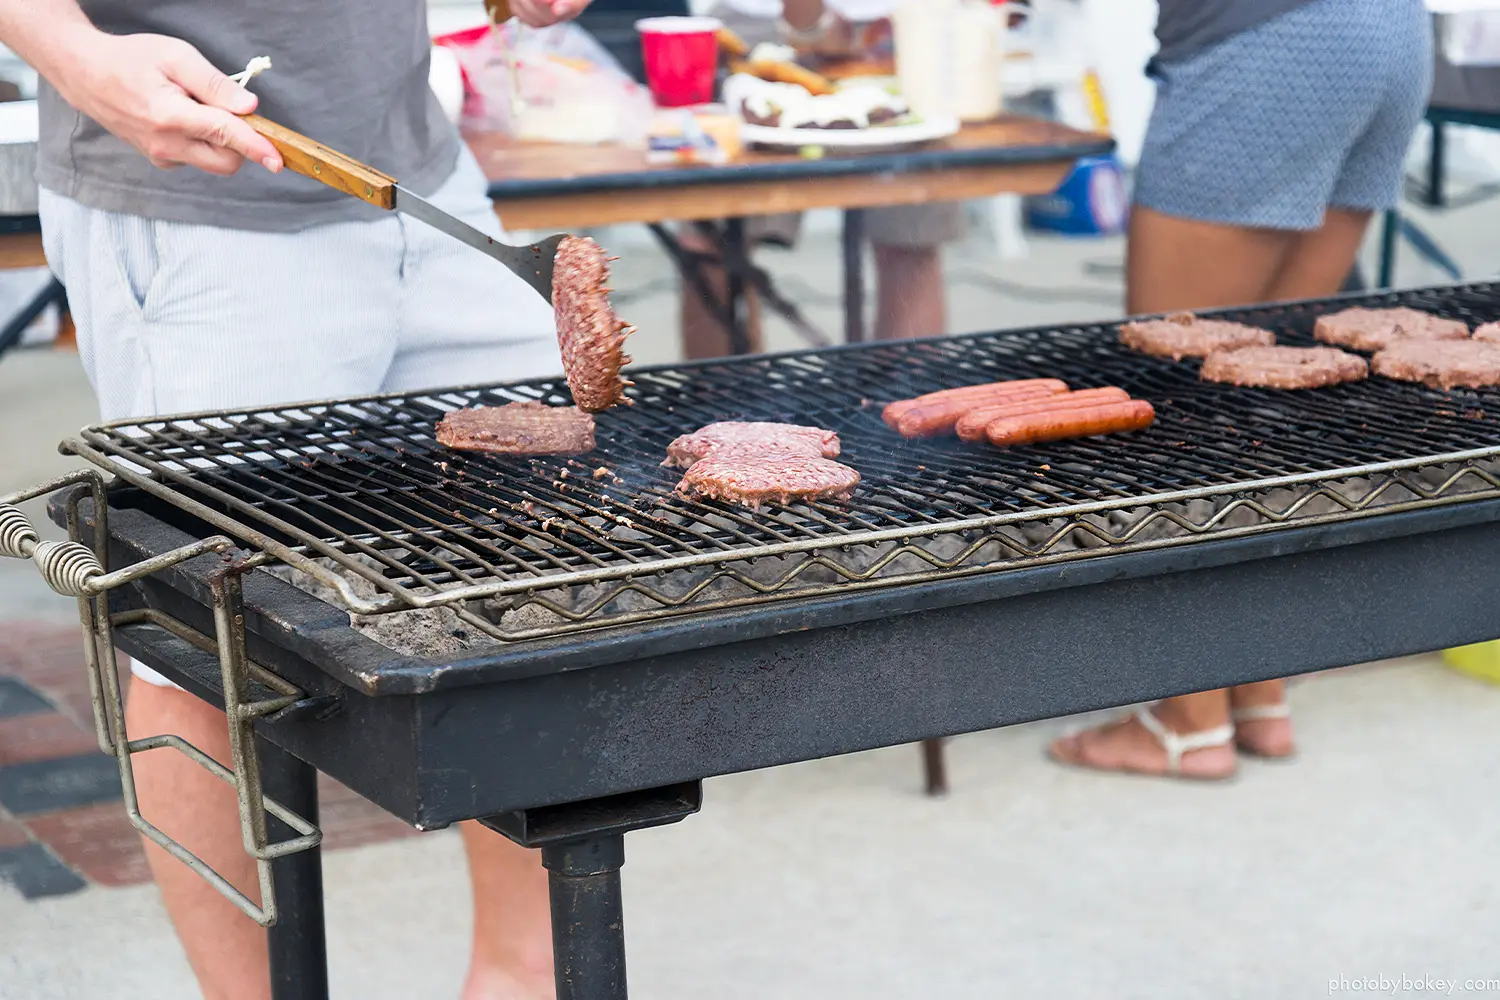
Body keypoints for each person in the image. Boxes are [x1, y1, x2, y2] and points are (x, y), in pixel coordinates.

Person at [0, 0, 587, 997]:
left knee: (523, 585)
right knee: (200, 640)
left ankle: (517, 980)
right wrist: (74, 54)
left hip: (420, 176)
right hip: (199, 202)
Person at [1049, 0, 1431, 781]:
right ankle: (1258, 687)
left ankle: (1189, 718)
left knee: (1173, 403)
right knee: (1270, 392)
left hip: (1265, 45)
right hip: (1390, 31)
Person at [686, 0, 965, 354]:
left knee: (911, 239)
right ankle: (722, 390)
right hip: (754, 26)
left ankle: (910, 387)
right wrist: (809, 24)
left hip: (897, 20)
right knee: (713, 241)